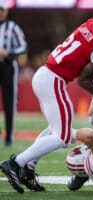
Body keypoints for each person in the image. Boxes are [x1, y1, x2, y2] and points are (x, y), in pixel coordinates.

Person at [0, 4, 93, 194]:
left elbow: (84, 55)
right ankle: (16, 163)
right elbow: (84, 80)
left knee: (55, 128)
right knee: (63, 136)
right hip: (54, 79)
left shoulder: (90, 25)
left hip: (46, 74)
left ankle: (28, 170)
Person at [0, 0, 27, 147]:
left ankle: (9, 136)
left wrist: (8, 53)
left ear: (6, 11)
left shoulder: (12, 27)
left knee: (9, 102)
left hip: (7, 65)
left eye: (2, 10)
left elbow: (23, 46)